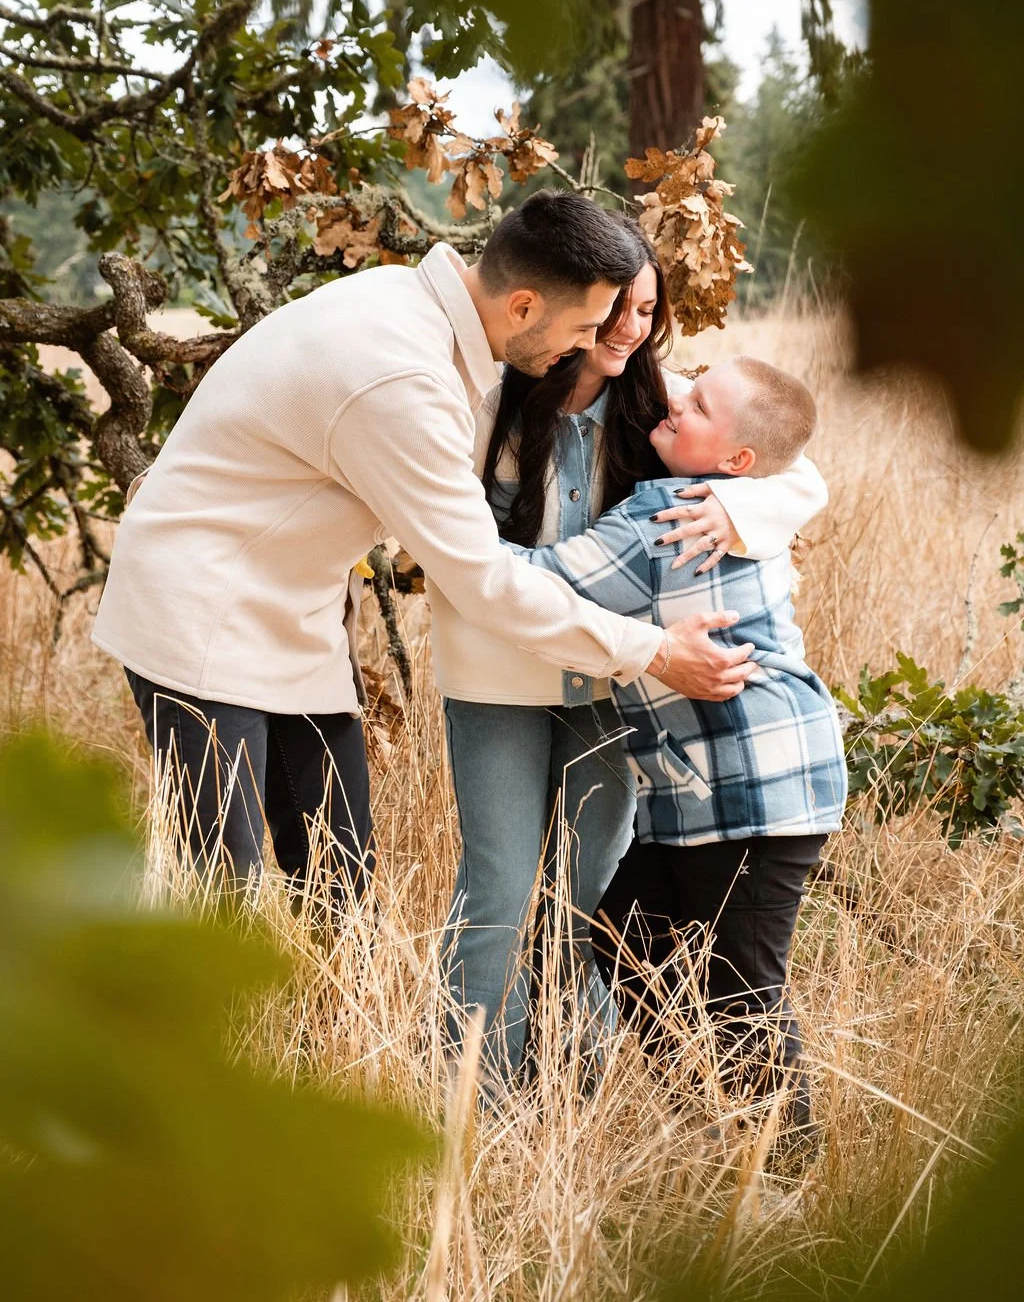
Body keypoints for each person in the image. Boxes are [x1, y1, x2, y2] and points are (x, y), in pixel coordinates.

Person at [92, 191, 760, 904]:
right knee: (224, 883)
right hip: (199, 607)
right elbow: (483, 580)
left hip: (294, 615)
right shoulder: (402, 379)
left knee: (339, 874)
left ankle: (327, 1015)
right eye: (586, 325)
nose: (588, 346)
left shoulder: (411, 306)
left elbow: (759, 433)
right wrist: (653, 652)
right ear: (526, 307)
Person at [430, 233, 829, 1087]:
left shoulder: (657, 403)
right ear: (574, 299)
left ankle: (579, 1081)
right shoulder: (486, 392)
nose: (631, 329)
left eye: (648, 310)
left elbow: (793, 463)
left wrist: (736, 508)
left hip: (616, 684)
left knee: (592, 898)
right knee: (502, 890)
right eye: (617, 307)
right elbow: (456, 538)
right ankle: (480, 1096)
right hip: (504, 677)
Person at [510, 357, 847, 1148]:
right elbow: (781, 450)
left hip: (758, 789)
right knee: (624, 930)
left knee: (742, 989)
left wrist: (440, 531)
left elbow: (542, 580)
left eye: (697, 404)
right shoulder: (732, 498)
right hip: (718, 791)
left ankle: (780, 1182)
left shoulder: (670, 513)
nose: (675, 399)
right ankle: (720, 1127)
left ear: (735, 463)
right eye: (688, 384)